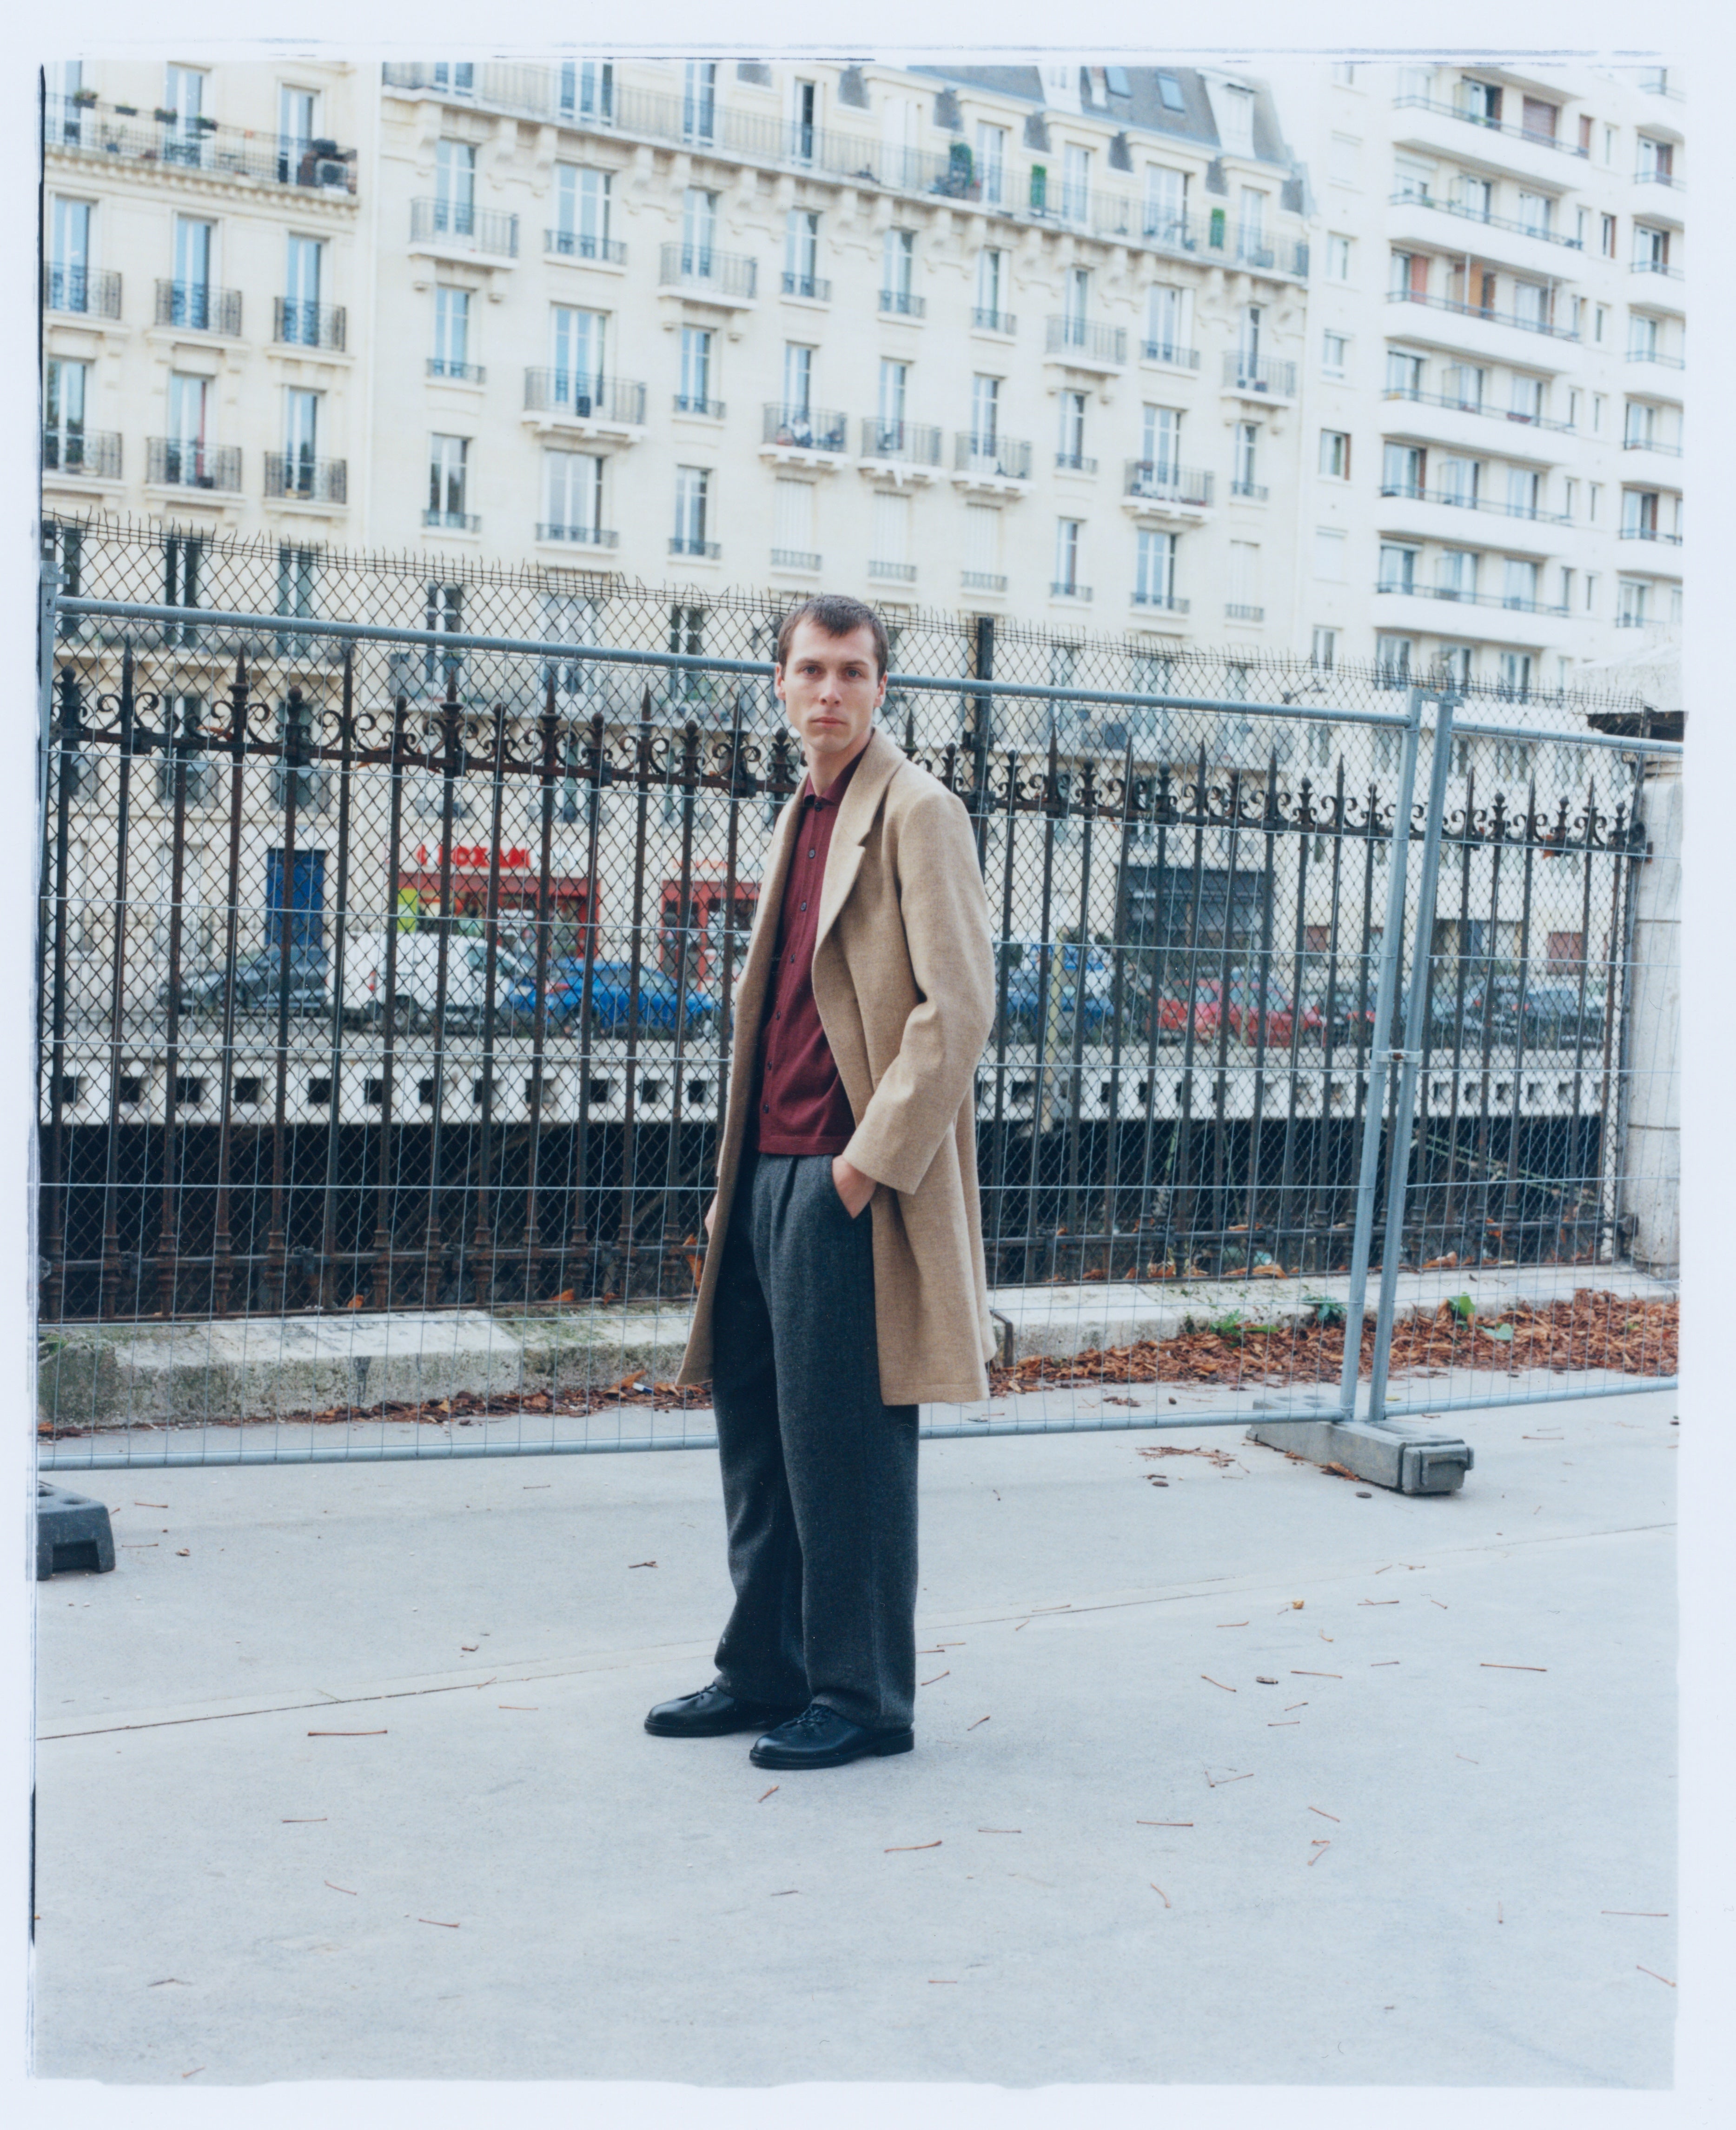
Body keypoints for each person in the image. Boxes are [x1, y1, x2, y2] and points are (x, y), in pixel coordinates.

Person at [646, 593, 997, 1771]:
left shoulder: (919, 810)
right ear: (781, 685)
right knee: (757, 1436)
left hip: (845, 1179)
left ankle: (863, 1696)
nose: (830, 690)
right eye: (811, 670)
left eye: (852, 670)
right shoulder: (801, 811)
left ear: (881, 687)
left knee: (845, 1448)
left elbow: (958, 1010)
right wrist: (738, 1178)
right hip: (764, 1169)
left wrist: (862, 1165)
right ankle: (765, 1668)